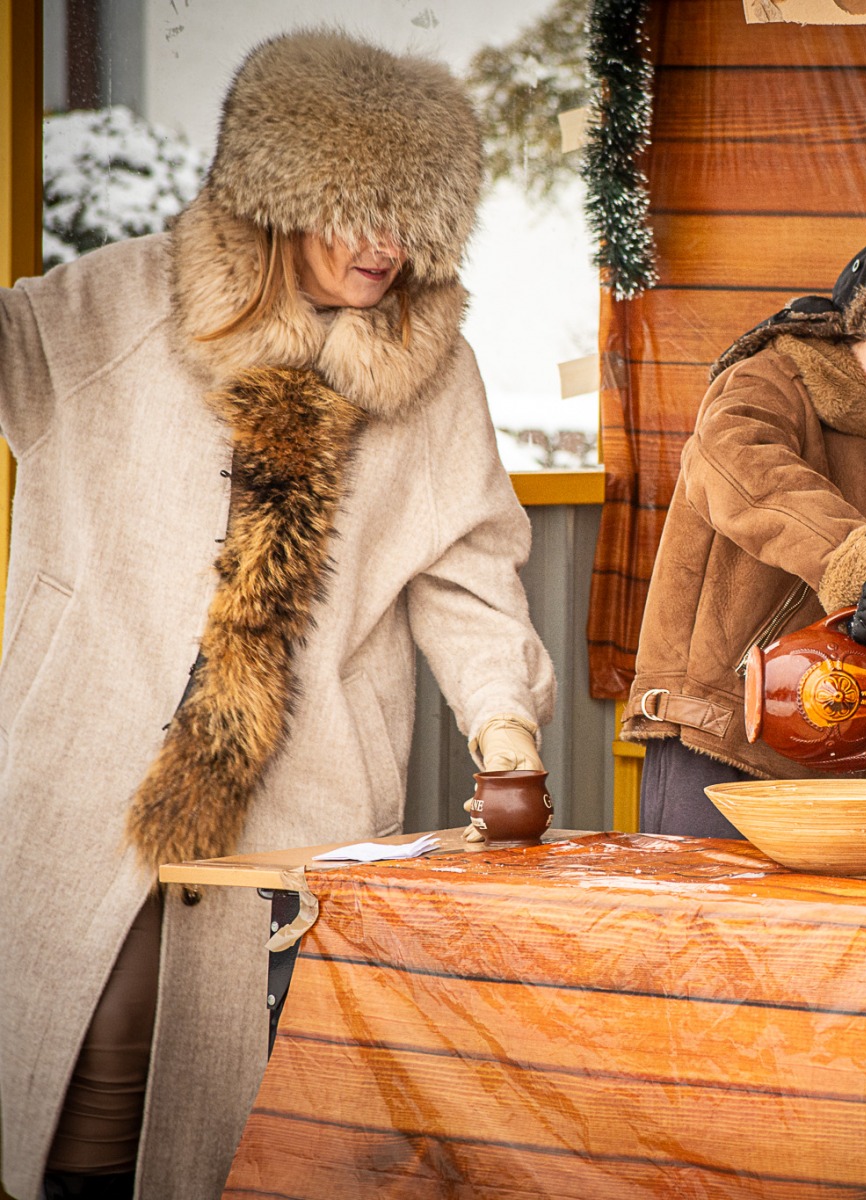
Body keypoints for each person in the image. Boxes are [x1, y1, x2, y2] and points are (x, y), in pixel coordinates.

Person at [0, 32, 555, 1200]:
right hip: (95, 767)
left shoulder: (436, 372)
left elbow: (465, 569)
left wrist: (502, 717)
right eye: (359, 211)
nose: (386, 245)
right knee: (90, 1074)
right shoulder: (113, 303)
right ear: (282, 194)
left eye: (412, 219)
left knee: (260, 1114)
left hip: (301, 801)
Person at [622, 233, 866, 838]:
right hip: (721, 737)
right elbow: (735, 462)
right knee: (704, 903)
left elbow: (858, 622)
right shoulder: (770, 379)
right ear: (850, 332)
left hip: (831, 757)